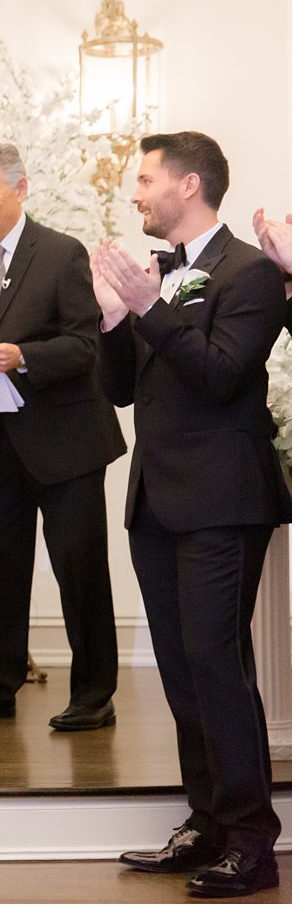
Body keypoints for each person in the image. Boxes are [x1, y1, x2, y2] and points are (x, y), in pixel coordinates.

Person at [94, 132, 288, 898]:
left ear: (191, 184)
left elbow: (219, 376)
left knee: (217, 666)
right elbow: (119, 391)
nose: (135, 192)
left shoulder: (252, 273)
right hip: (157, 500)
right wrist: (115, 317)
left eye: (145, 179)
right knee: (180, 673)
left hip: (223, 498)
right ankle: (205, 820)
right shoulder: (155, 274)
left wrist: (151, 310)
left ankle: (252, 841)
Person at [0, 141, 126, 730]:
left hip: (65, 444)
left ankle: (93, 696)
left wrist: (22, 357)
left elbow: (86, 347)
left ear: (21, 189)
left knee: (80, 572)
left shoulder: (62, 254)